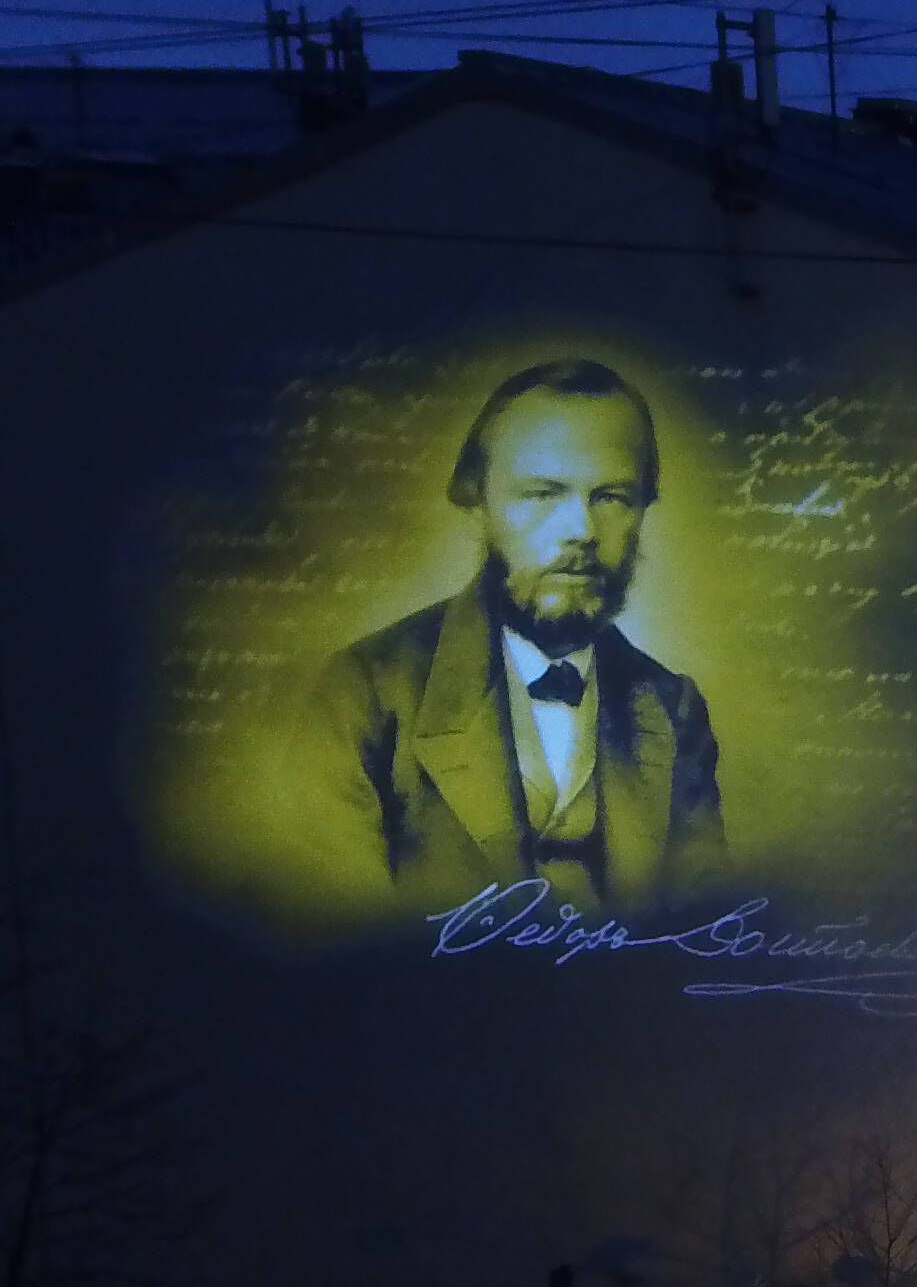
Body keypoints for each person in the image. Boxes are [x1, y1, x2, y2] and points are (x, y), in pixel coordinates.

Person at [310, 358, 725, 919]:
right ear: (480, 500)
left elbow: (707, 938)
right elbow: (344, 944)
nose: (580, 529)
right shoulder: (365, 694)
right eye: (542, 494)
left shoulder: (673, 709)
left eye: (612, 497)